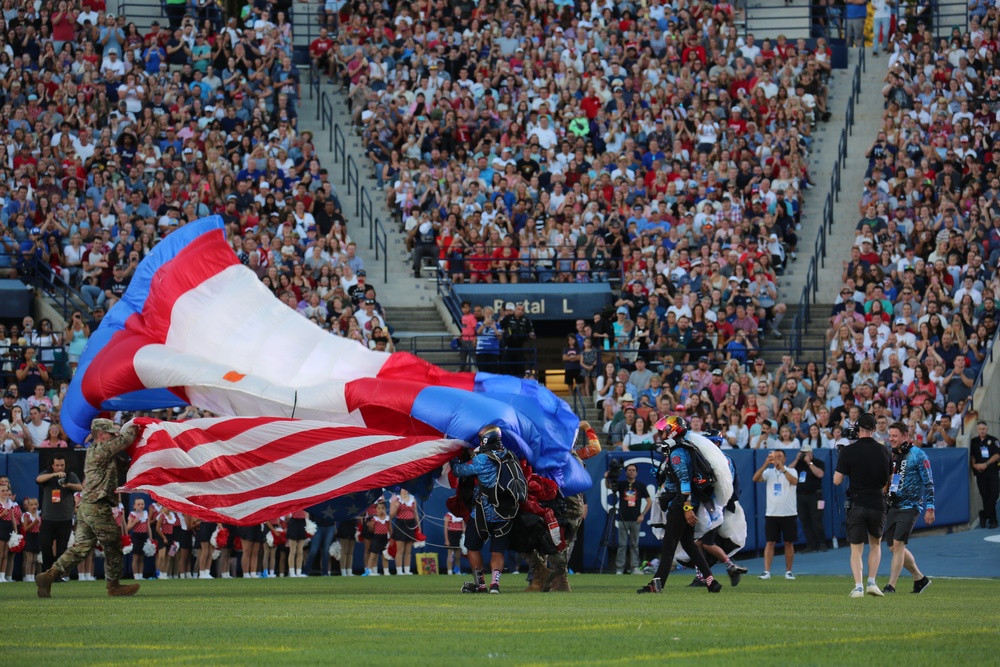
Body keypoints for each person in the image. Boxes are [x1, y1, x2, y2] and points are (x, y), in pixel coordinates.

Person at [36, 419, 141, 598]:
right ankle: (114, 586)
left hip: (88, 506)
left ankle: (49, 576)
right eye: (110, 433)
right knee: (114, 543)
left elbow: (124, 465)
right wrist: (134, 426)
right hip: (97, 506)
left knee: (81, 548)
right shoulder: (100, 449)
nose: (114, 435)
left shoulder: (103, 453)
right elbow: (125, 440)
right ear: (100, 435)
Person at [638, 416, 722, 594]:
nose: (661, 434)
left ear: (673, 430)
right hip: (680, 503)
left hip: (679, 505)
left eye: (664, 430)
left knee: (668, 547)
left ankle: (656, 585)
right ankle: (711, 581)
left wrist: (686, 508)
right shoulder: (681, 448)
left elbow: (685, 482)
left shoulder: (677, 453)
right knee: (689, 545)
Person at [451, 424, 526, 594]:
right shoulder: (509, 455)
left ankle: (481, 584)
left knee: (472, 546)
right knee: (497, 550)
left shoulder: (482, 459)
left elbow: (458, 471)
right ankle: (495, 585)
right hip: (507, 512)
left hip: (483, 513)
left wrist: (453, 457)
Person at [834, 412, 892, 598]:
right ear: (875, 429)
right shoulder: (885, 450)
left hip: (857, 503)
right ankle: (872, 583)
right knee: (875, 544)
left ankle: (858, 586)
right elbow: (891, 479)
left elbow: (837, 480)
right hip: (877, 501)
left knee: (856, 549)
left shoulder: (849, 451)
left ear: (858, 429)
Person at [883, 422, 935, 594]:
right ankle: (920, 579)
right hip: (894, 505)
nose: (891, 439)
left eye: (895, 436)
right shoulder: (893, 455)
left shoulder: (919, 455)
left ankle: (891, 585)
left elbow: (929, 483)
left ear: (906, 436)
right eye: (890, 436)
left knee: (898, 545)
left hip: (911, 505)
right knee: (893, 547)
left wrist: (930, 508)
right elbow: (894, 479)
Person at [753, 449, 799, 580]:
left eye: (780, 456)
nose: (777, 458)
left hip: (789, 513)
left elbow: (794, 481)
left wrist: (783, 469)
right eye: (775, 456)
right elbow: (755, 478)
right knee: (770, 542)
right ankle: (766, 572)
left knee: (789, 543)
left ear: (784, 458)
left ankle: (788, 572)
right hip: (772, 513)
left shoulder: (791, 470)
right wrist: (765, 464)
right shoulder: (768, 472)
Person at [36, 454, 82, 573]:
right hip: (48, 517)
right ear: (52, 465)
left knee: (62, 548)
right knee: (45, 545)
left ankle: (58, 573)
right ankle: (47, 571)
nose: (60, 468)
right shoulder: (47, 474)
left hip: (64, 517)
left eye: (62, 465)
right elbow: (38, 479)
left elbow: (81, 487)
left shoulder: (70, 475)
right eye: (57, 465)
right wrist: (54, 475)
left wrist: (68, 485)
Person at [613, 463, 650, 575]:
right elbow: (610, 487)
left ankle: (634, 567)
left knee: (634, 545)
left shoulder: (640, 485)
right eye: (629, 470)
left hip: (636, 519)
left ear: (637, 472)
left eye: (633, 470)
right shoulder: (622, 484)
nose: (631, 472)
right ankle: (619, 568)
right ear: (626, 472)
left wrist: (642, 514)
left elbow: (649, 501)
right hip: (623, 519)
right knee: (622, 545)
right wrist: (607, 478)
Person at [792, 444, 828, 552]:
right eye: (803, 453)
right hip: (801, 496)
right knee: (805, 521)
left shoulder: (818, 463)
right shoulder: (799, 464)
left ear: (811, 453)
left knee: (817, 520)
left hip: (816, 496)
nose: (804, 455)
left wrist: (809, 463)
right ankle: (811, 544)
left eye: (806, 453)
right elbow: (788, 470)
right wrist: (797, 459)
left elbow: (820, 474)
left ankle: (822, 543)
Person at [970, 421, 1000, 529]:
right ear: (977, 430)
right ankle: (993, 521)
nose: (982, 431)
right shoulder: (974, 441)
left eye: (984, 429)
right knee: (985, 496)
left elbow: (997, 454)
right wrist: (974, 465)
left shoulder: (993, 440)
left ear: (987, 429)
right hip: (980, 473)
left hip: (992, 472)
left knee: (994, 494)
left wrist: (986, 464)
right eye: (980, 429)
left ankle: (983, 514)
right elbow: (972, 455)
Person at [390, 489, 419, 575]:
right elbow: (391, 516)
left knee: (408, 550)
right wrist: (396, 506)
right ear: (400, 489)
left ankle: (407, 570)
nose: (405, 490)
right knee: (400, 550)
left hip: (411, 525)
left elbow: (416, 514)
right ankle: (399, 571)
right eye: (403, 488)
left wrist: (419, 527)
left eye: (406, 488)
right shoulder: (396, 499)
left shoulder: (413, 499)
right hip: (400, 525)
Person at [444, 510, 466, 575]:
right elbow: (445, 529)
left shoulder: (461, 516)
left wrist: (465, 537)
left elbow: (463, 527)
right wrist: (447, 540)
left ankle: (457, 571)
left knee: (458, 556)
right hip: (451, 534)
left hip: (459, 535)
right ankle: (449, 571)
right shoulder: (448, 515)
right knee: (450, 555)